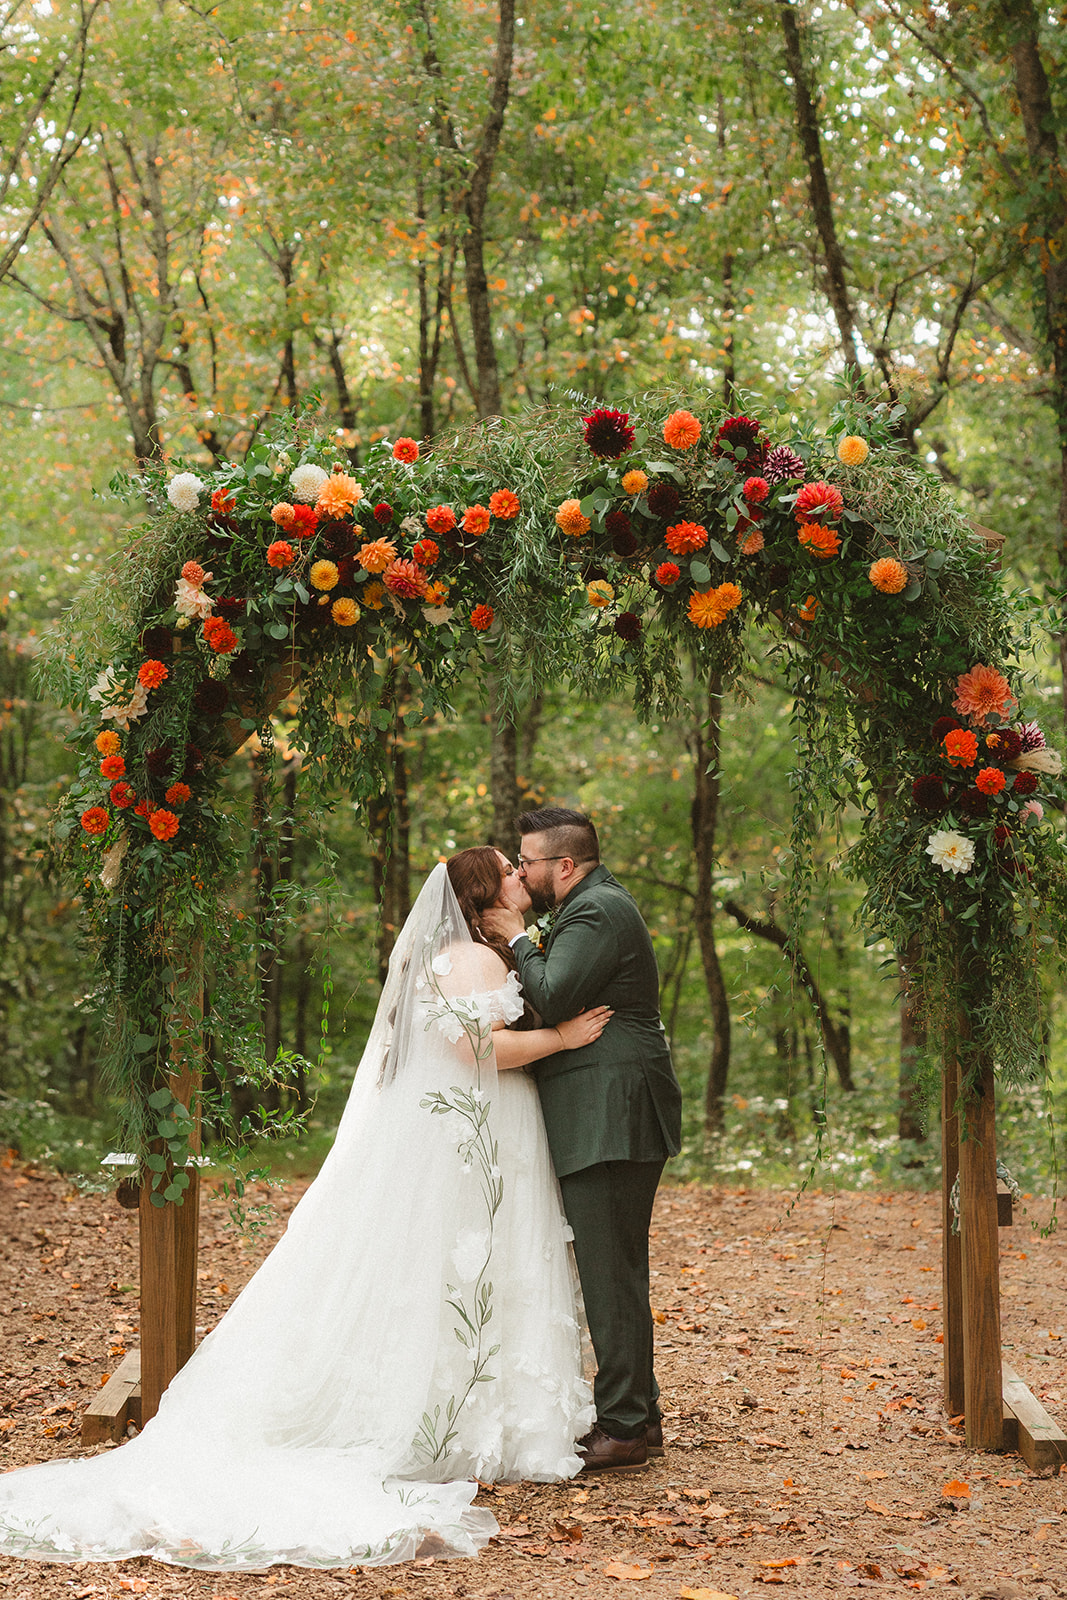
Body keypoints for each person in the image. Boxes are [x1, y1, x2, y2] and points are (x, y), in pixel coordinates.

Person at [0, 850, 605, 1572]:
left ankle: (488, 1408)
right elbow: (476, 1048)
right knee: (451, 1256)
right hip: (466, 1124)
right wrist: (563, 1038)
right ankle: (451, 1415)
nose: (519, 876)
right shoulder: (460, 958)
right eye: (508, 870)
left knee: (478, 1258)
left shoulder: (482, 951)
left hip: (484, 1127)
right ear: (479, 893)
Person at [482, 808, 682, 1473]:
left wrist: (513, 936)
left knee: (608, 1273)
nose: (523, 870)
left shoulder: (595, 912)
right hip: (610, 1109)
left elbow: (556, 992)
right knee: (616, 1269)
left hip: (610, 1112)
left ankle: (623, 1427)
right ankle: (640, 1414)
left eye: (527, 861)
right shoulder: (589, 908)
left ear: (562, 866)